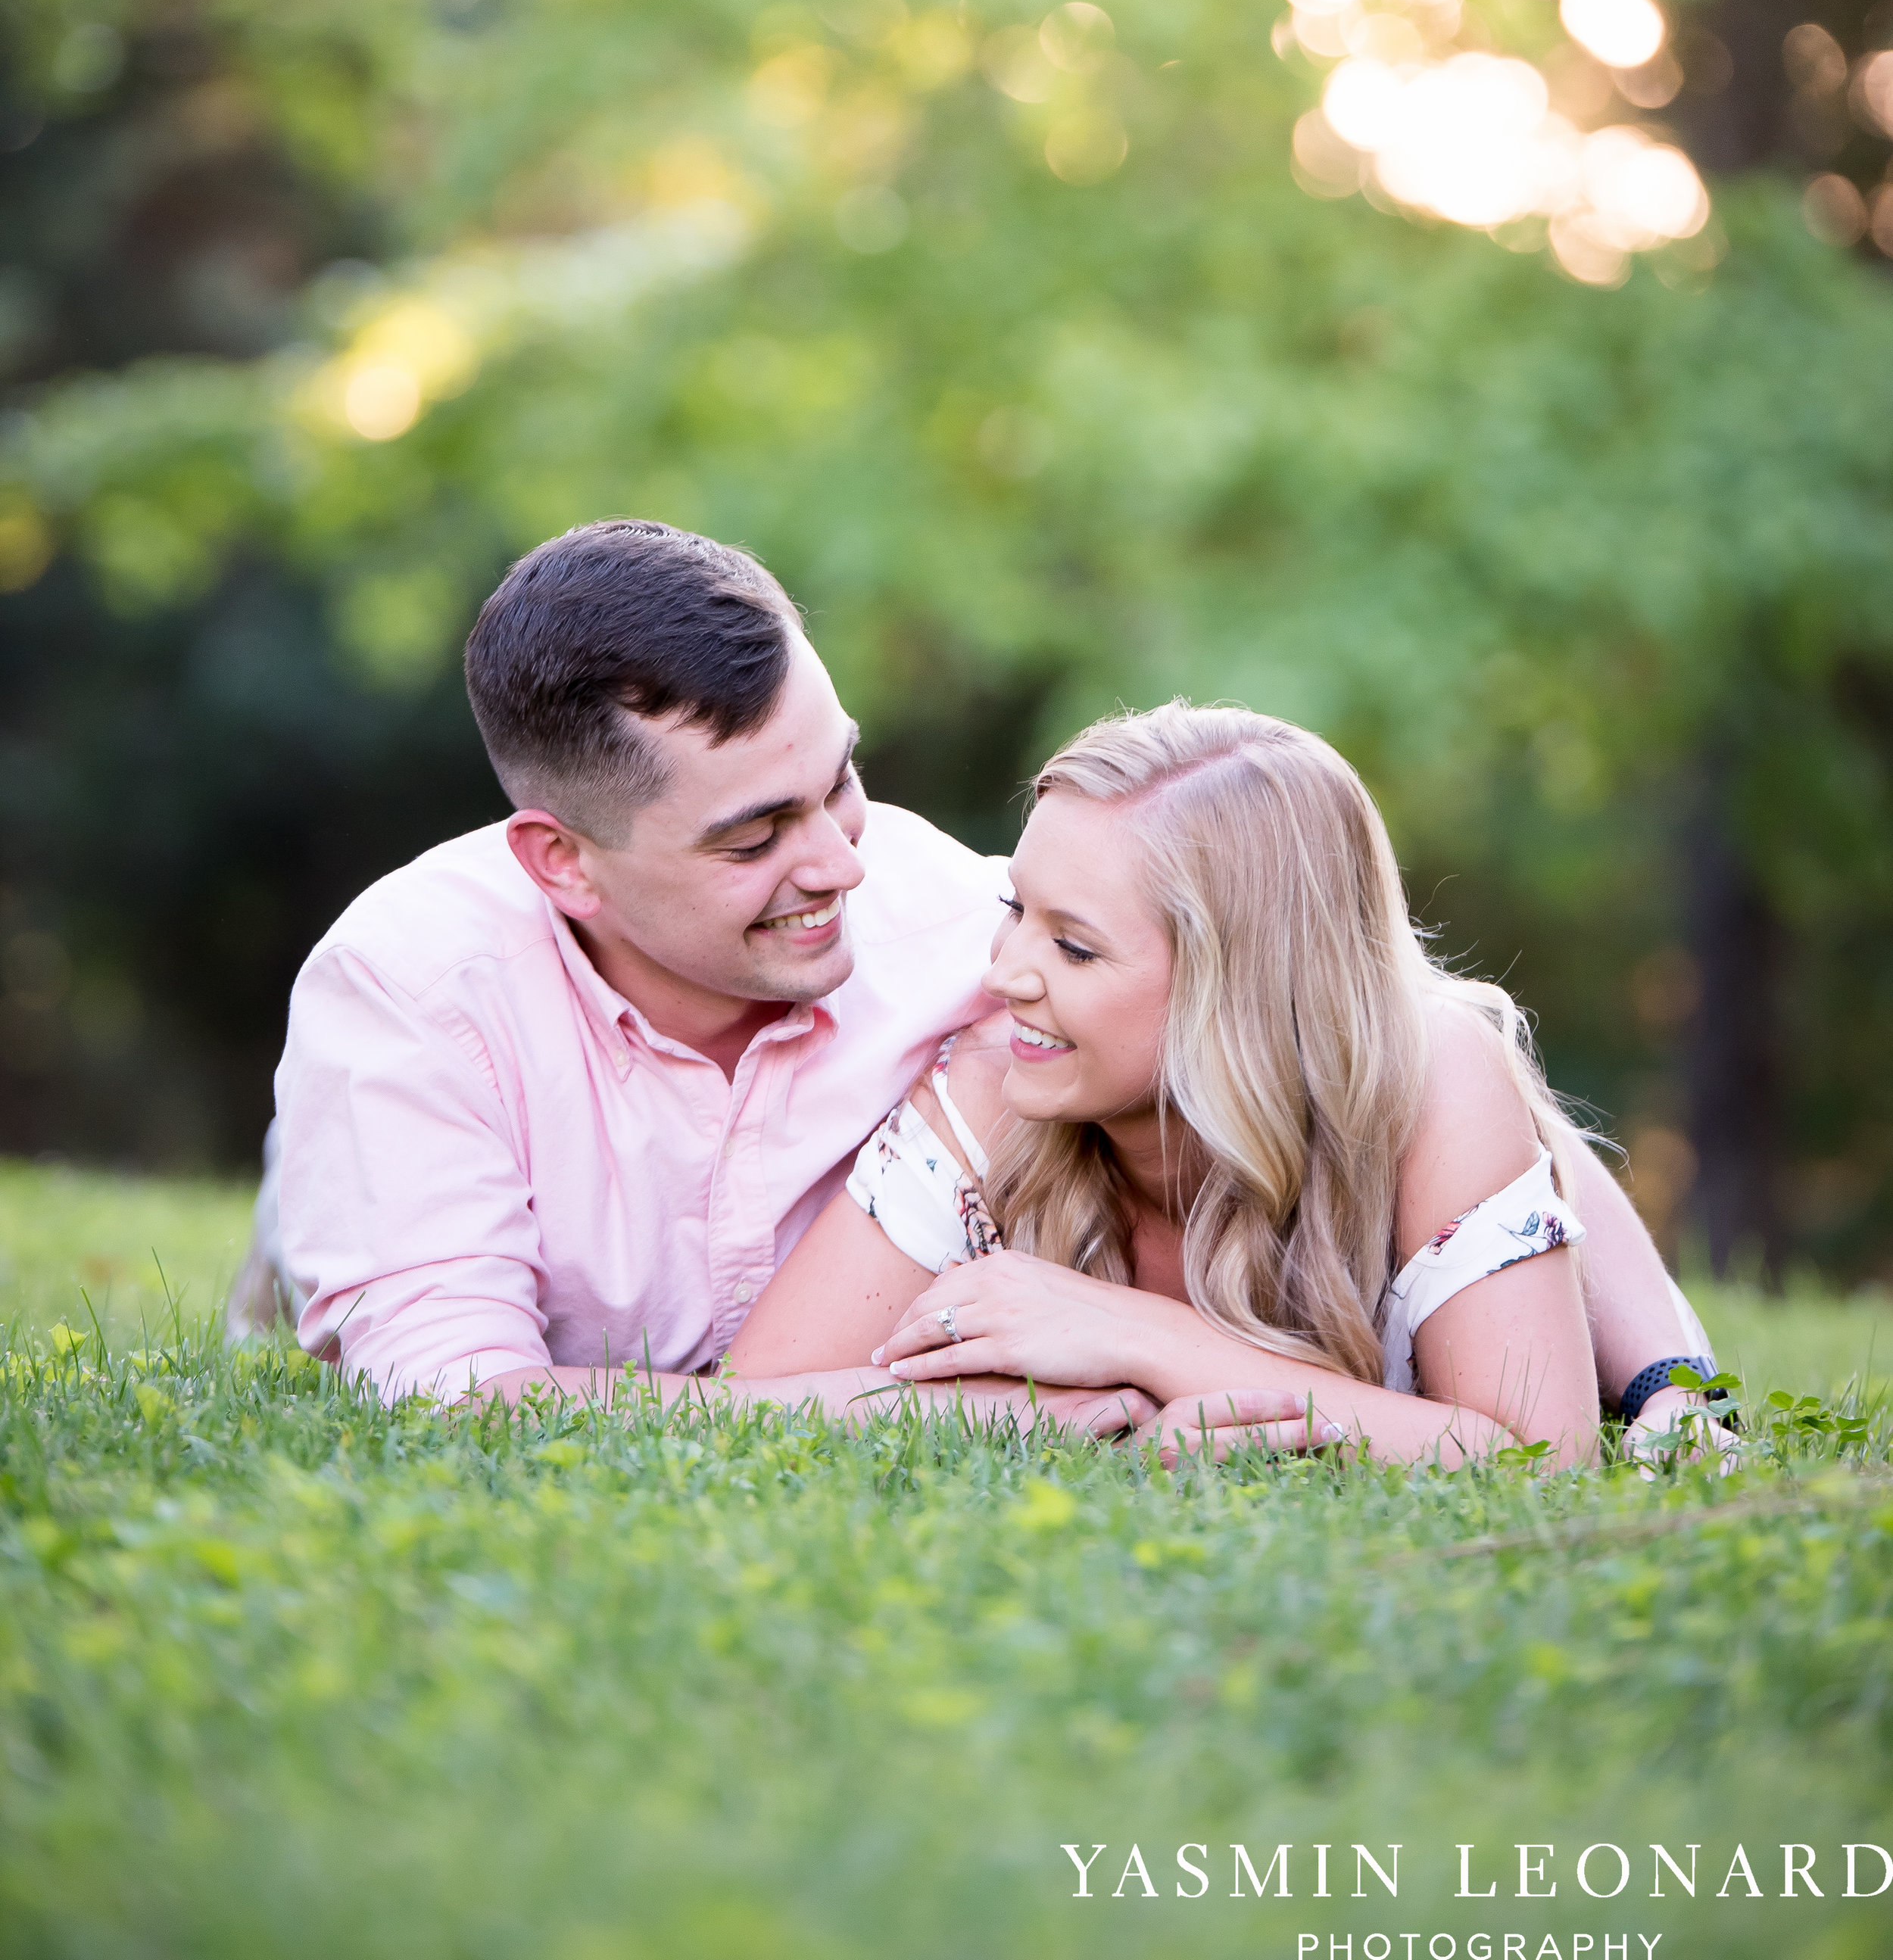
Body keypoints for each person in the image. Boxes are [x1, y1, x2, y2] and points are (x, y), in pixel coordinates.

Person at [254, 517, 1140, 1435]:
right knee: (334, 1211)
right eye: (754, 840)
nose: (840, 866)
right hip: (370, 1141)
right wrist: (919, 1412)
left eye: (840, 781)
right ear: (563, 860)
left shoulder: (974, 930)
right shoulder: (410, 990)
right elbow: (455, 1401)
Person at [729, 703, 1725, 1466]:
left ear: (1238, 989)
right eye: (1015, 907)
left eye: (1074, 945)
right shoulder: (993, 1088)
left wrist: (1137, 1337)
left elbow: (1539, 1459)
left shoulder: (1434, 1084)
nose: (1004, 974)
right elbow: (746, 1399)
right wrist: (993, 1405)